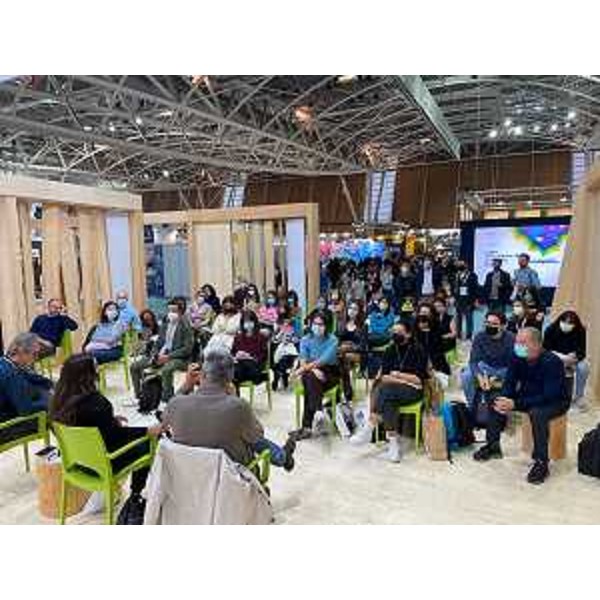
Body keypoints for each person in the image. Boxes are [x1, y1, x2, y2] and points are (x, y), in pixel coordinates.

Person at [50, 354, 163, 502]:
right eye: (95, 367)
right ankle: (135, 494)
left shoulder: (57, 401)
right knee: (150, 442)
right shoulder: (96, 402)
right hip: (104, 465)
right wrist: (146, 431)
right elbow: (116, 436)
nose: (99, 370)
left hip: (76, 463)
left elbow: (87, 424)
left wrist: (110, 420)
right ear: (88, 375)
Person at [163, 350, 295, 471]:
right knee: (245, 435)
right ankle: (282, 457)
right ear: (230, 378)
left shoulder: (176, 403)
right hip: (229, 477)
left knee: (240, 431)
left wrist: (187, 385)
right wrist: (233, 397)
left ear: (201, 374)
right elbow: (257, 436)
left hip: (188, 474)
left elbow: (165, 419)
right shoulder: (238, 406)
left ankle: (282, 456)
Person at [473, 328, 569, 485]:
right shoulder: (516, 356)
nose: (517, 346)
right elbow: (509, 382)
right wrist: (505, 399)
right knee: (495, 399)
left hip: (555, 401)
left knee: (537, 413)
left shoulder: (552, 362)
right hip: (528, 395)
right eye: (517, 342)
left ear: (537, 344)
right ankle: (493, 446)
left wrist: (516, 404)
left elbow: (549, 395)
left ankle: (541, 462)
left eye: (522, 343)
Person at [350, 321, 428, 461]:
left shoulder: (418, 350)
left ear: (408, 334)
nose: (395, 335)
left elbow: (418, 380)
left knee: (386, 390)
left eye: (399, 332)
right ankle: (393, 445)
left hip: (413, 392)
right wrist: (402, 379)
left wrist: (397, 375)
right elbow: (384, 376)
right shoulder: (390, 350)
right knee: (388, 397)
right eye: (393, 332)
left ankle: (370, 427)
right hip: (393, 390)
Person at [130, 298, 194, 404]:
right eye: (169, 310)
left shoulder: (186, 326)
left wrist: (168, 357)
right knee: (134, 366)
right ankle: (140, 395)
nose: (170, 313)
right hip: (161, 354)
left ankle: (167, 399)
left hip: (179, 357)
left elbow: (187, 349)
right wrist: (155, 355)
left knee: (166, 369)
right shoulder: (165, 323)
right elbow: (158, 342)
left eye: (174, 311)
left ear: (181, 312)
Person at [289, 311, 339, 441]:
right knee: (310, 378)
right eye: (315, 324)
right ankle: (318, 410)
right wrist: (313, 370)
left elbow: (324, 360)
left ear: (327, 326)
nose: (317, 327)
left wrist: (300, 370)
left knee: (309, 382)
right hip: (311, 372)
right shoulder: (305, 339)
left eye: (321, 324)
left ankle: (307, 427)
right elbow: (303, 360)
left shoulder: (333, 340)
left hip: (329, 372)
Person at [460, 311, 515, 409]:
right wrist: (480, 377)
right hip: (486, 367)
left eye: (494, 324)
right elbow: (473, 361)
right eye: (487, 323)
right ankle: (472, 406)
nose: (490, 326)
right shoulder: (479, 337)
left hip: (504, 369)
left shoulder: (512, 338)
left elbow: (515, 362)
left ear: (503, 326)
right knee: (466, 376)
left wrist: (496, 377)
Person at [0, 333, 51, 423]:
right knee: (52, 416)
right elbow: (26, 409)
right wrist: (49, 404)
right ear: (21, 352)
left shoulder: (5, 362)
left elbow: (29, 376)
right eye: (34, 354)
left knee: (40, 392)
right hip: (6, 424)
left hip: (7, 410)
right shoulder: (10, 374)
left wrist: (49, 384)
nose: (36, 358)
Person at [543, 310, 589, 410]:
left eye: (570, 323)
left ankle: (579, 397)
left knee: (584, 367)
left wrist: (574, 357)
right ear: (560, 320)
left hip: (572, 359)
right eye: (565, 322)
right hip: (555, 356)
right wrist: (561, 358)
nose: (567, 325)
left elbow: (582, 351)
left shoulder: (580, 331)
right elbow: (545, 349)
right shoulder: (550, 329)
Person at [337, 300, 368, 403]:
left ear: (359, 312)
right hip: (342, 352)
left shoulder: (363, 326)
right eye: (350, 308)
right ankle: (347, 391)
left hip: (358, 353)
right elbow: (336, 340)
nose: (352, 311)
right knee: (340, 359)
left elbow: (362, 345)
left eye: (355, 309)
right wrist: (341, 347)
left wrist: (348, 347)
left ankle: (343, 392)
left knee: (342, 358)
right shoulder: (341, 323)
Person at [231, 310, 269, 389]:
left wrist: (251, 357)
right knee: (235, 369)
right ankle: (259, 377)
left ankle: (254, 377)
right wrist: (236, 356)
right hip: (240, 363)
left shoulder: (261, 337)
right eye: (246, 322)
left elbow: (264, 354)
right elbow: (233, 352)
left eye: (250, 321)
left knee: (241, 370)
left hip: (254, 363)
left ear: (255, 322)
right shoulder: (238, 337)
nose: (248, 324)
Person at [414, 304, 450, 377]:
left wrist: (428, 330)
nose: (424, 316)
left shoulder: (437, 328)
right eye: (422, 313)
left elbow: (439, 348)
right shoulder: (414, 329)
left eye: (426, 313)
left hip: (437, 364)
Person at [271, 311, 300, 391]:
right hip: (280, 350)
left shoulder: (293, 330)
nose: (286, 324)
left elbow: (297, 340)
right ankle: (283, 375)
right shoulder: (279, 330)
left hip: (290, 351)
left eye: (288, 322)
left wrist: (291, 339)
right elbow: (274, 340)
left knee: (285, 360)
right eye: (284, 322)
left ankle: (279, 375)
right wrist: (281, 333)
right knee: (279, 360)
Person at [453, 260, 479, 340]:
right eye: (459, 264)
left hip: (469, 300)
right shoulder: (457, 275)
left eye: (462, 263)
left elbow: (475, 288)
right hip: (459, 300)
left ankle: (469, 335)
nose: (460, 265)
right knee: (458, 319)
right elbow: (454, 287)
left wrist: (475, 300)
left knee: (469, 319)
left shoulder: (473, 275)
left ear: (466, 265)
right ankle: (458, 335)